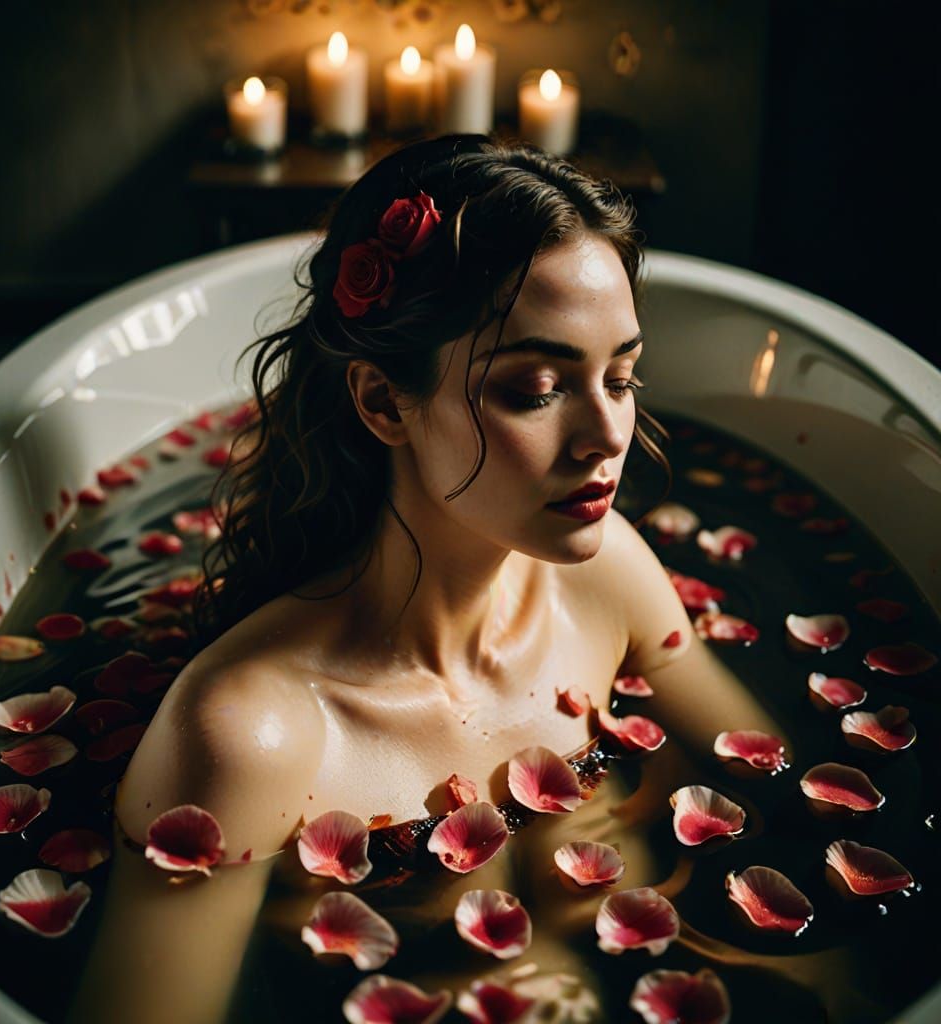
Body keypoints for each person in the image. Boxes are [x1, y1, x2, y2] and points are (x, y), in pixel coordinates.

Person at [67, 134, 789, 1023]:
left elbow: (774, 786)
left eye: (622, 374)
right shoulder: (249, 738)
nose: (608, 434)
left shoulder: (605, 579)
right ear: (382, 402)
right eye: (535, 388)